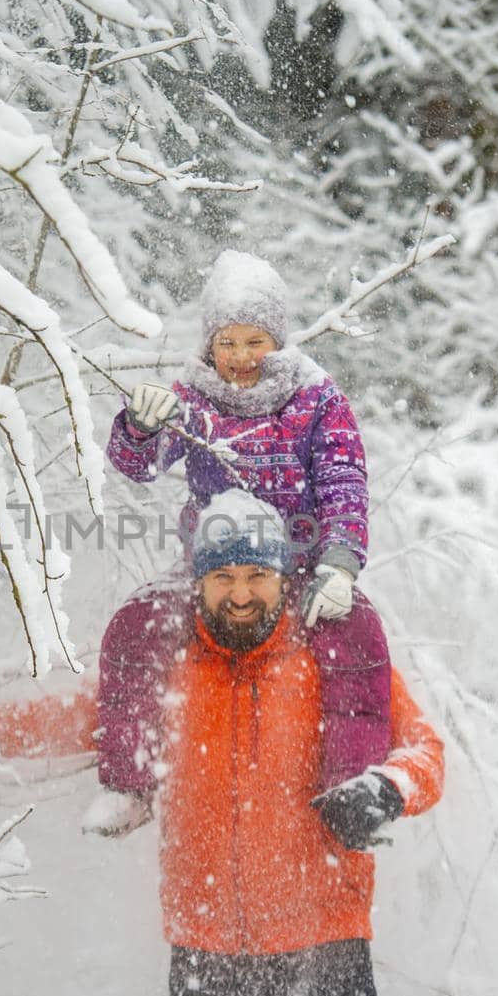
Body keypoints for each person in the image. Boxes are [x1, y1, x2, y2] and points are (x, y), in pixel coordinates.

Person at [0, 491, 445, 996]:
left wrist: (390, 788)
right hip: (209, 952)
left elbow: (424, 749)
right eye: (222, 575)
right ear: (196, 582)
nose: (241, 593)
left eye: (257, 574)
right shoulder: (166, 671)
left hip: (326, 942)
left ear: (284, 579)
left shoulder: (328, 664)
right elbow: (68, 721)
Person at [92, 249, 389, 833]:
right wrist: (140, 426)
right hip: (215, 570)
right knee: (136, 629)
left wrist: (338, 565)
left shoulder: (316, 397)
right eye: (228, 343)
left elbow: (342, 482)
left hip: (296, 567)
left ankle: (352, 789)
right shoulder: (196, 395)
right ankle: (130, 785)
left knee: (353, 636)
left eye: (256, 342)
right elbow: (141, 465)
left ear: (278, 338)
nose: (241, 358)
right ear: (210, 345)